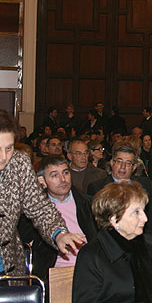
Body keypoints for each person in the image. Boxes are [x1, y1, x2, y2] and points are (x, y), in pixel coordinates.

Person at [0, 113, 88, 278]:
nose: (4, 157)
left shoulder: (19, 163)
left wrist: (59, 233)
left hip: (8, 265)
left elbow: (39, 206)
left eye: (9, 148)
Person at [72, 181, 152, 303]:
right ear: (113, 219)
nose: (145, 218)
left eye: (143, 211)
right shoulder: (92, 255)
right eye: (136, 212)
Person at [18, 154, 98, 283]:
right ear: (42, 182)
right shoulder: (34, 211)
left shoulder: (89, 204)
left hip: (91, 271)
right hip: (54, 275)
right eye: (55, 175)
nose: (63, 179)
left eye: (65, 173)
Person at [87, 144, 152, 199]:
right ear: (112, 163)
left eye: (128, 163)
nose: (123, 167)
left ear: (134, 167)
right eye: (119, 162)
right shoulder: (97, 188)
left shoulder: (145, 184)